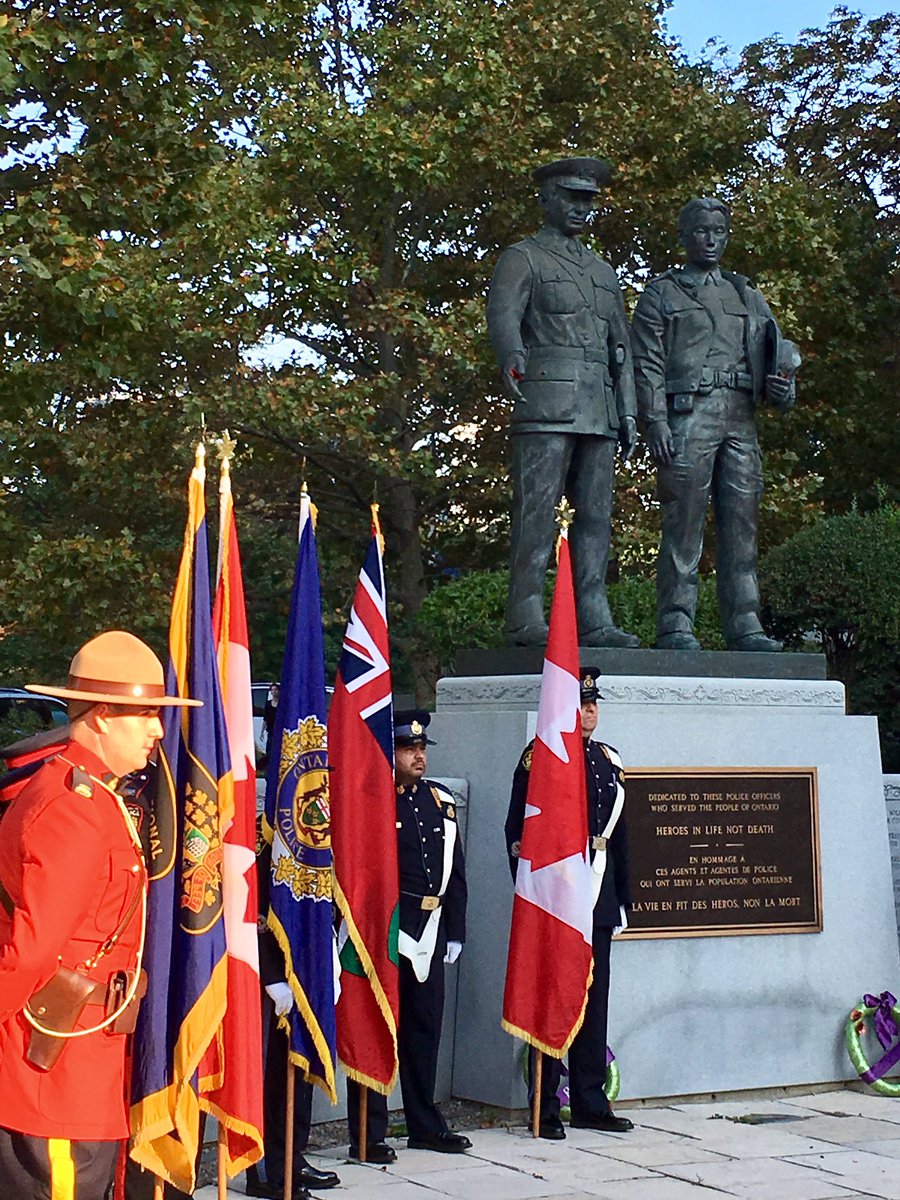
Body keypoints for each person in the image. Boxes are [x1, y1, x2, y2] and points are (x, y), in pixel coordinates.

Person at [0, 630, 200, 1200]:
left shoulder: (97, 796)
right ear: (105, 716)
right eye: (146, 716)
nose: (159, 730)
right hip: (51, 1069)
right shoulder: (72, 809)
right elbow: (32, 950)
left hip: (81, 1055)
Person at [630, 197, 800, 651]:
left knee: (741, 525)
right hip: (689, 415)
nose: (710, 240)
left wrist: (783, 390)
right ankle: (675, 623)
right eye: (701, 231)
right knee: (683, 526)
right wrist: (656, 423)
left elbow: (778, 357)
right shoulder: (662, 294)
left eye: (719, 232)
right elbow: (645, 365)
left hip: (740, 416)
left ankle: (745, 623)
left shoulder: (746, 293)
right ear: (684, 236)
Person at [487, 156, 640, 649]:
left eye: (588, 201)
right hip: (546, 399)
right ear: (547, 199)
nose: (581, 209)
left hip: (600, 407)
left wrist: (630, 409)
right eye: (572, 198)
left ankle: (594, 613)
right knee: (538, 508)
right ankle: (524, 611)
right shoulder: (523, 257)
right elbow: (505, 315)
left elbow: (623, 348)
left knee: (596, 515)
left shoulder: (602, 271)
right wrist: (512, 355)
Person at [506, 667, 633, 1138]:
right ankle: (545, 1103)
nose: (590, 711)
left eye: (595, 703)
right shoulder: (539, 758)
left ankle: (589, 1100)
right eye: (582, 703)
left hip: (598, 895)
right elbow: (517, 830)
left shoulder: (608, 760)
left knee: (594, 1002)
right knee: (554, 996)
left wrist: (623, 899)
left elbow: (621, 838)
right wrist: (531, 894)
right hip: (556, 899)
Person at [346, 710, 469, 1160]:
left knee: (424, 1029)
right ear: (390, 752)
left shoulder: (440, 802)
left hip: (431, 930)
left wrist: (455, 928)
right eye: (408, 749)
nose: (418, 757)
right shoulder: (374, 801)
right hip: (388, 928)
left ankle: (424, 1123)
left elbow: (455, 872)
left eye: (421, 749)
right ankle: (369, 1131)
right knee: (378, 1025)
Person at [245, 820, 339, 1199]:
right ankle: (266, 1168)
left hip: (309, 969)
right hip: (273, 978)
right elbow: (257, 904)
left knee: (301, 1069)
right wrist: (272, 973)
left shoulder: (320, 831)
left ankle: (292, 1156)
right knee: (272, 1075)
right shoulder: (268, 832)